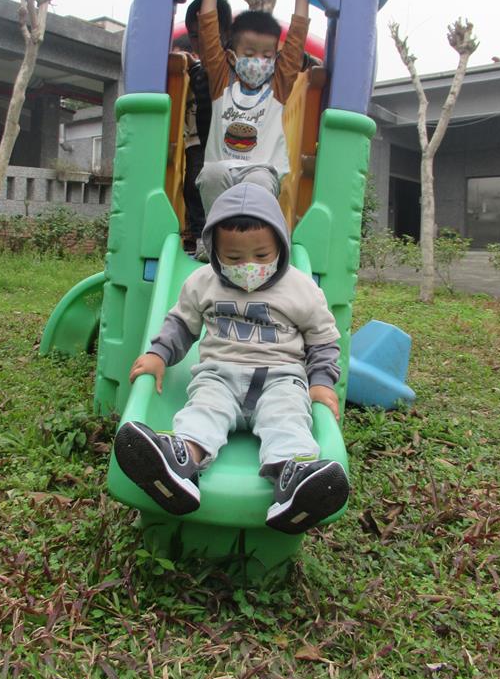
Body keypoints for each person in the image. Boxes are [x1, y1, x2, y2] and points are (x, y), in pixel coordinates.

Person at [113, 182, 349, 535]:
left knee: (287, 420)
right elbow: (181, 324)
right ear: (215, 251)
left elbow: (323, 341)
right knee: (202, 413)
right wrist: (159, 354)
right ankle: (180, 463)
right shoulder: (202, 283)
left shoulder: (301, 288)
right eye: (234, 258)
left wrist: (321, 383)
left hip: (279, 378)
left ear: (280, 247)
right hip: (218, 376)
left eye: (262, 255)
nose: (249, 266)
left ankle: (294, 479)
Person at [194, 0, 313, 222]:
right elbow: (209, 37)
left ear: (275, 57)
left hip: (261, 171)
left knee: (257, 182)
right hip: (223, 170)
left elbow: (295, 44)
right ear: (232, 55)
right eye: (249, 54)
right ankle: (215, 235)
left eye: (266, 55)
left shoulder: (277, 85)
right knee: (211, 174)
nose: (258, 61)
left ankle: (256, 237)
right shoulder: (222, 80)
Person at [175, 0, 232, 252]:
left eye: (209, 34)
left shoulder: (232, 65)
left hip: (224, 141)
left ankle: (220, 234)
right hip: (196, 138)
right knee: (193, 185)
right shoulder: (192, 67)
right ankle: (199, 235)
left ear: (227, 34)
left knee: (219, 185)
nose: (203, 42)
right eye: (196, 36)